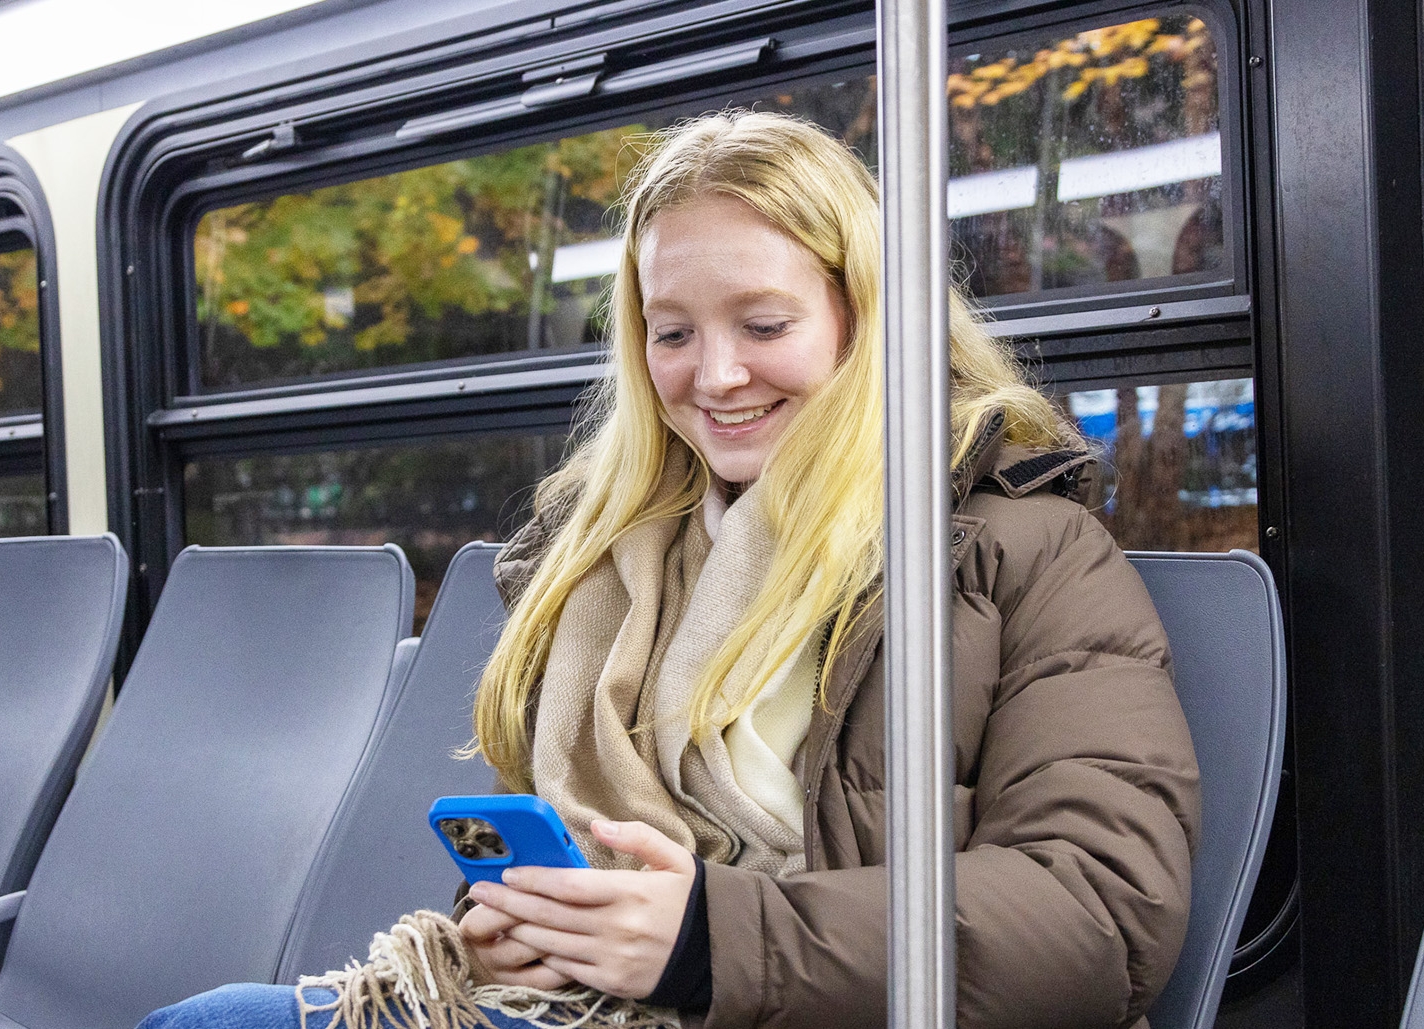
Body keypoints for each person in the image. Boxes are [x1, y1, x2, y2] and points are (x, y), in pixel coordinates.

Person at [139, 110, 1198, 1029]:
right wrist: (521, 931)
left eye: (765, 324)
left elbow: (1103, 913)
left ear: (863, 317)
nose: (717, 375)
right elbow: (585, 855)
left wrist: (705, 940)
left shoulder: (1023, 547)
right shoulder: (608, 561)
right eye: (674, 332)